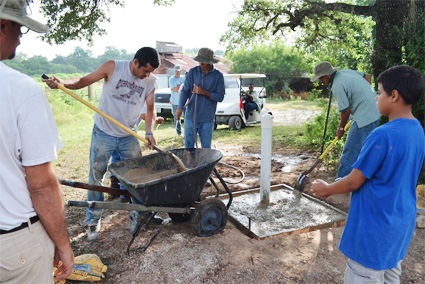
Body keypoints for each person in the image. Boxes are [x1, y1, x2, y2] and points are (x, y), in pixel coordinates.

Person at [311, 65, 425, 283]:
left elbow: (354, 181)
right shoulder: (417, 130)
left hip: (374, 231)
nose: (375, 98)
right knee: (392, 275)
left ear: (394, 95)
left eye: (379, 92)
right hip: (400, 226)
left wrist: (327, 189)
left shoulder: (381, 135)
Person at [44, 47, 160, 241]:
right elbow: (82, 82)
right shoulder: (112, 67)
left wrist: (149, 131)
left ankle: (139, 216)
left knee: (138, 178)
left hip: (129, 136)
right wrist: (62, 83)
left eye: (150, 72)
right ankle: (93, 220)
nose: (147, 75)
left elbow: (150, 108)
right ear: (136, 62)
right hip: (103, 132)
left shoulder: (150, 81)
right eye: (145, 70)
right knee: (96, 177)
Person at [0, 0, 74, 282]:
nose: (20, 37)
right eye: (20, 28)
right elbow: (41, 186)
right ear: (3, 25)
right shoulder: (20, 89)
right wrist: (64, 246)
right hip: (14, 246)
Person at [311, 61, 381, 179]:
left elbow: (345, 111)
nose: (320, 81)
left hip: (365, 117)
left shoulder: (337, 85)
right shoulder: (346, 72)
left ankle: (340, 185)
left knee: (349, 153)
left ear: (328, 75)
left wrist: (341, 128)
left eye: (321, 78)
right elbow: (367, 76)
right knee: (364, 150)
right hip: (376, 111)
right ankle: (361, 180)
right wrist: (369, 96)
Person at [175, 48, 225, 148]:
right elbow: (185, 92)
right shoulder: (192, 72)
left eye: (204, 62)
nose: (201, 64)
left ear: (210, 62)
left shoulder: (218, 76)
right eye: (199, 61)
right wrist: (180, 107)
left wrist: (203, 92)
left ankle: (205, 164)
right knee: (188, 148)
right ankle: (190, 164)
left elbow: (220, 97)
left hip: (207, 119)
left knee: (206, 149)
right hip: (190, 117)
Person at [169, 65, 185, 136]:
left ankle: (187, 132)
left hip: (184, 101)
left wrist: (179, 87)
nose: (176, 72)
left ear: (181, 71)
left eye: (178, 71)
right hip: (175, 101)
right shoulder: (171, 79)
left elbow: (186, 88)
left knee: (186, 117)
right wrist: (181, 87)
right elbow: (174, 89)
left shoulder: (184, 78)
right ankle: (179, 133)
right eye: (175, 71)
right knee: (176, 117)